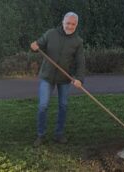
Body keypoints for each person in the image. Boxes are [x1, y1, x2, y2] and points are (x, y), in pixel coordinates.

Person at [30, 12, 85, 146]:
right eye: (68, 23)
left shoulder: (78, 42)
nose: (70, 26)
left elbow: (80, 62)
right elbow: (38, 45)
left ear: (76, 25)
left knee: (63, 106)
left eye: (73, 24)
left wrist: (79, 79)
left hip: (64, 78)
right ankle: (41, 135)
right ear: (63, 22)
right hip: (47, 77)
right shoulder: (51, 34)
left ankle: (59, 134)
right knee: (43, 105)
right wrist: (34, 47)